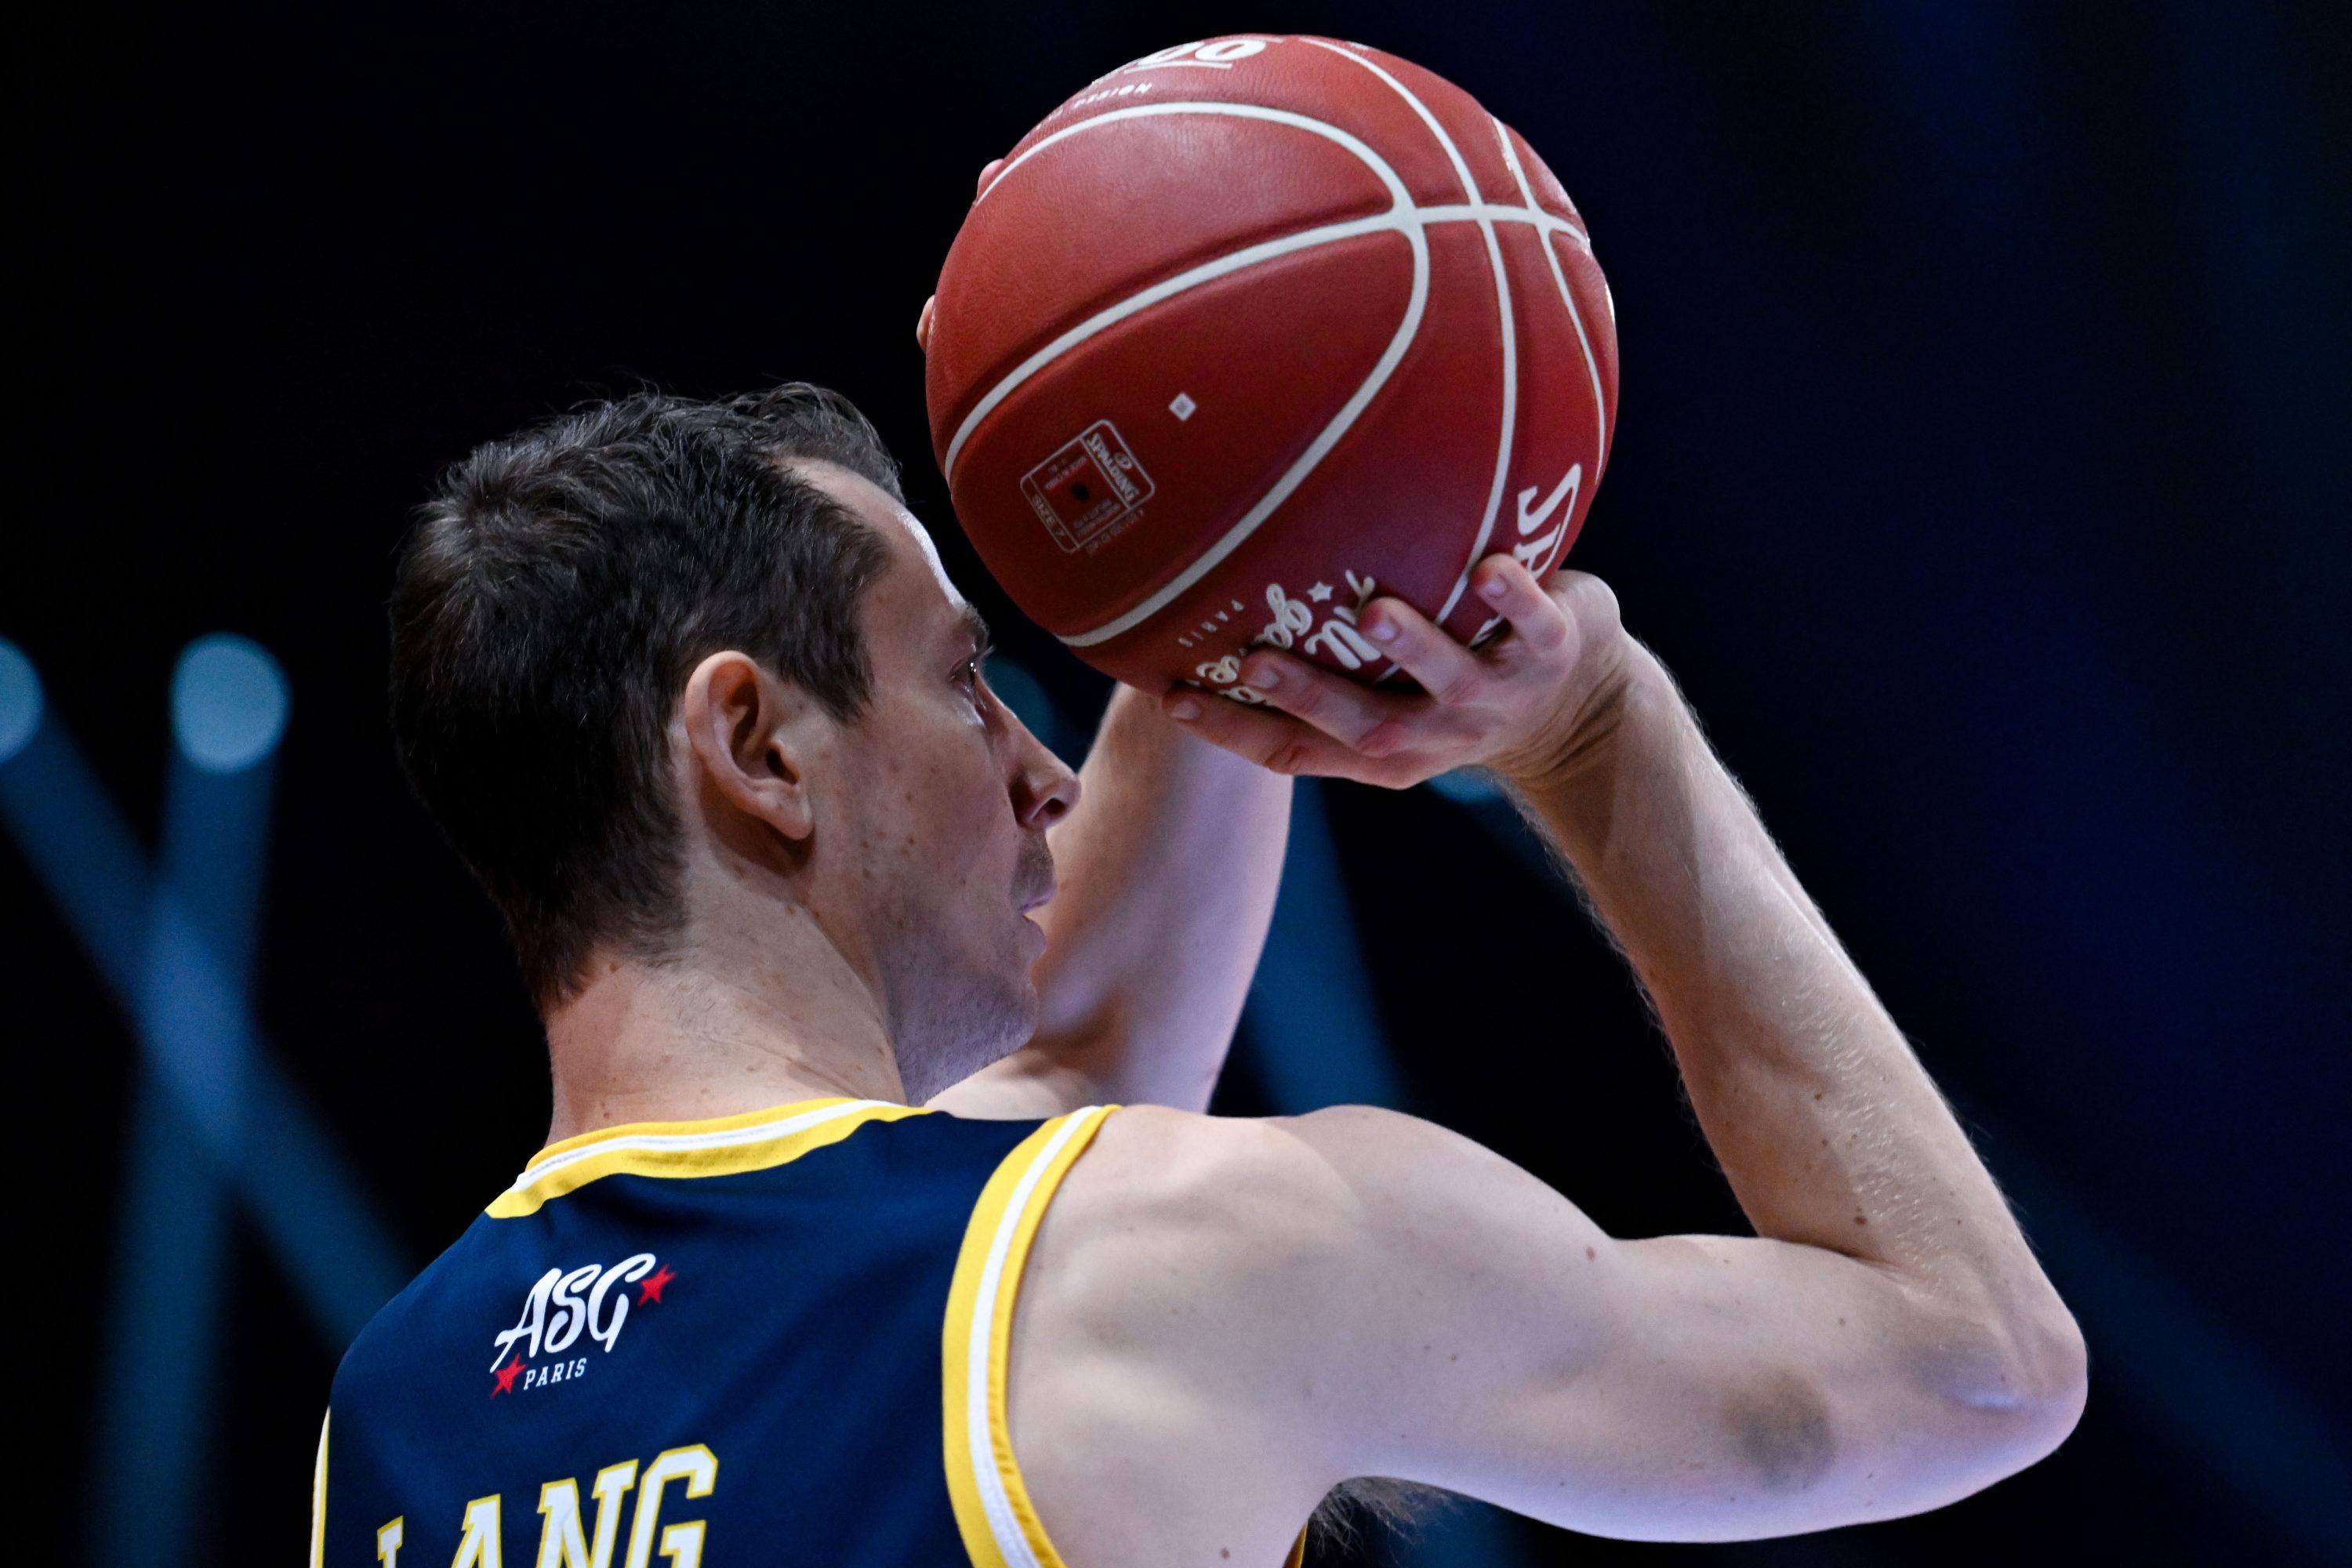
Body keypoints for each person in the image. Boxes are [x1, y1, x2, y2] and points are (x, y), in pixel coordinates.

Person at [313, 381, 2083, 1568]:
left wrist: (1237, 547)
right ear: (757, 745)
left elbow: (1070, 1062)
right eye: (962, 680)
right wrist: (1595, 733)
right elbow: (1975, 1364)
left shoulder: (388, 1427)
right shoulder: (1176, 1258)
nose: (1045, 770)